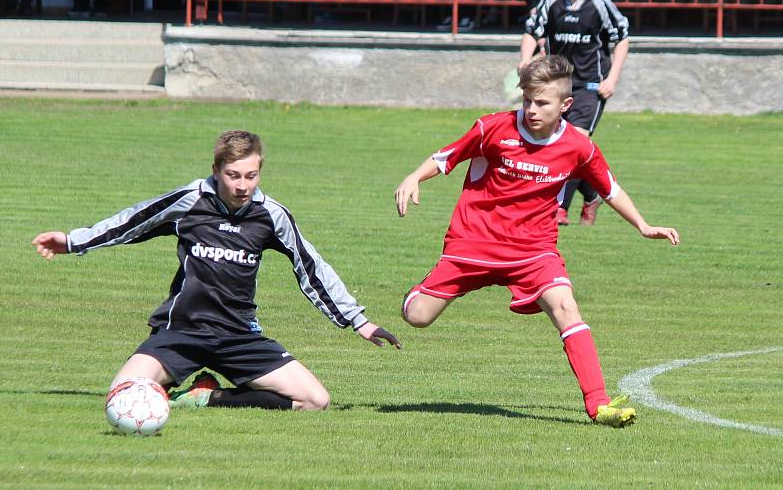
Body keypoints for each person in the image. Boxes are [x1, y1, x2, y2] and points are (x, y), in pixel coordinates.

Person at [394, 55, 679, 427]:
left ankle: (599, 405)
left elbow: (610, 189)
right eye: (527, 99)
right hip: (474, 244)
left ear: (565, 105)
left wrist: (642, 225)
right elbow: (446, 157)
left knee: (566, 307)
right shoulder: (492, 128)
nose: (531, 109)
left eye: (541, 102)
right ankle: (423, 293)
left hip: (534, 252)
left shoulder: (579, 146)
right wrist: (414, 177)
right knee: (417, 316)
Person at [33, 130, 400, 412]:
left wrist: (358, 321)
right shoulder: (190, 200)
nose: (243, 185)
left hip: (238, 337)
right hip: (181, 333)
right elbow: (133, 221)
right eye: (233, 175)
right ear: (216, 170)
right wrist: (72, 241)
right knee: (121, 394)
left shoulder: (271, 215)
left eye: (251, 175)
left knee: (315, 401)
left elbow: (311, 268)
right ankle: (173, 381)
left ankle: (209, 398)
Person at [520, 0, 629, 226]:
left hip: (590, 87)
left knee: (575, 143)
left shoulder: (600, 4)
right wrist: (524, 59)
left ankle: (559, 208)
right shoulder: (552, 0)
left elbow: (622, 40)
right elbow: (532, 31)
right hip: (557, 87)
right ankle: (591, 195)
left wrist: (612, 78)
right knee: (555, 144)